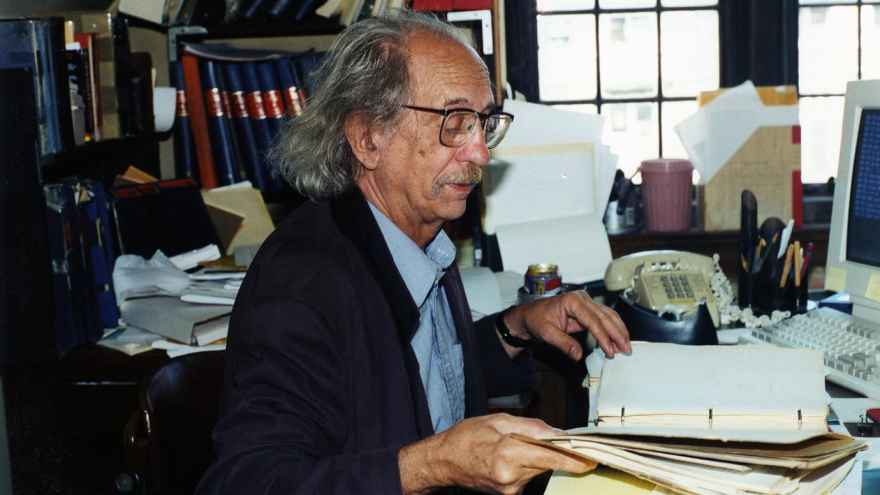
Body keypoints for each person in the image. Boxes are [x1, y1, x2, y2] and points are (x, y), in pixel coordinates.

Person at [196, 10, 630, 495]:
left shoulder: (415, 239)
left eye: (484, 122)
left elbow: (409, 383)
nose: (481, 153)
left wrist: (516, 328)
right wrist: (432, 465)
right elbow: (246, 483)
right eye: (455, 121)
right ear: (367, 138)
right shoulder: (300, 285)